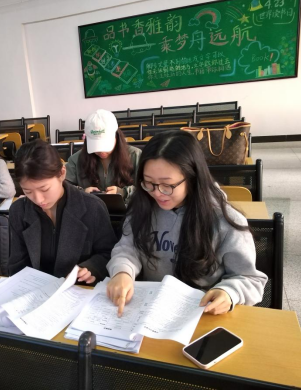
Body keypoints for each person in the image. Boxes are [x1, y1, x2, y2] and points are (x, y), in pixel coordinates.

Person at [106, 130, 267, 316]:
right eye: (148, 182)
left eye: (167, 185)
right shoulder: (142, 206)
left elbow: (250, 279)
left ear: (192, 178)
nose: (157, 193)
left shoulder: (224, 220)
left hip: (200, 314)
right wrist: (122, 272)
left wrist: (229, 293)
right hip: (149, 309)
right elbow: (127, 248)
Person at [9, 139, 117, 283]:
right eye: (28, 191)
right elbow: (16, 264)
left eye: (44, 189)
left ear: (62, 173)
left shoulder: (93, 208)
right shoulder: (19, 211)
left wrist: (91, 268)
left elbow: (108, 253)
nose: (38, 199)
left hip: (77, 289)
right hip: (35, 289)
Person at [66, 109, 140, 202]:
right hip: (89, 209)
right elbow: (63, 188)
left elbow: (146, 188)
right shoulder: (76, 160)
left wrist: (123, 192)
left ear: (116, 136)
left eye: (105, 145)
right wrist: (82, 193)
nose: (101, 151)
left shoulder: (135, 155)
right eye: (96, 146)